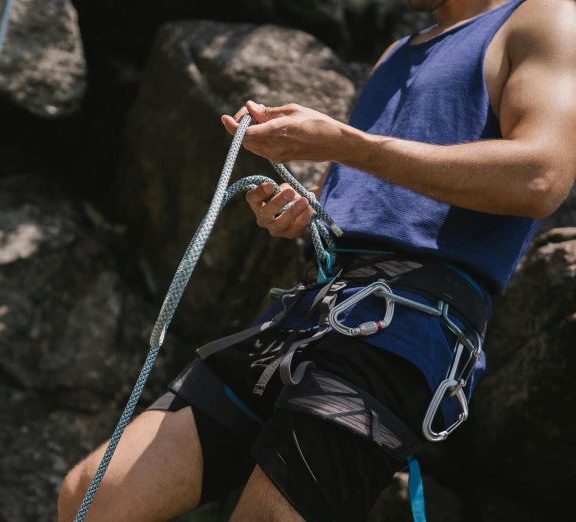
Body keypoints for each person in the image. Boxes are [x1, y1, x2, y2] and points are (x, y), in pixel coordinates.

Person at [58, 0, 576, 520]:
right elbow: (368, 192)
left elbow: (540, 176)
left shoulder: (544, 18)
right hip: (311, 307)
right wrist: (303, 213)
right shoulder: (397, 53)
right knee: (92, 494)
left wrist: (350, 145)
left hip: (408, 324)